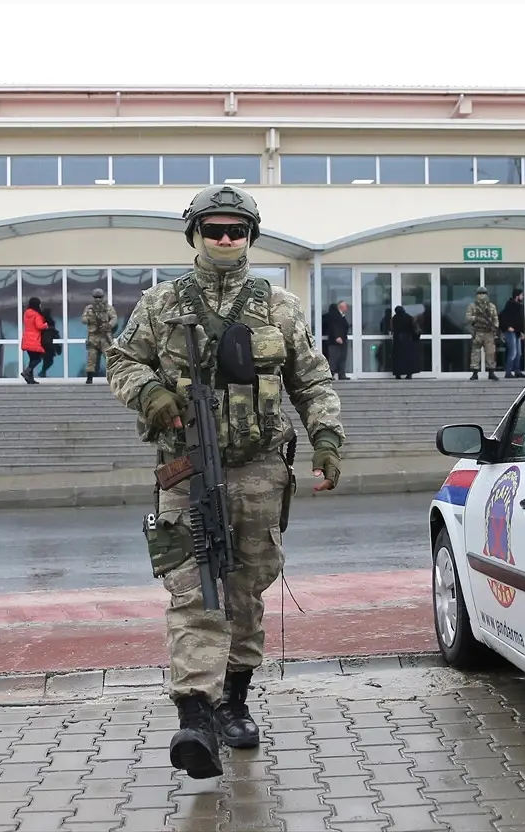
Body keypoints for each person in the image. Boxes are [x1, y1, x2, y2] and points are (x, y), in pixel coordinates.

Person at [104, 184, 345, 780]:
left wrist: (328, 441)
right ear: (195, 234)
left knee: (244, 591)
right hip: (185, 471)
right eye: (213, 230)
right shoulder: (162, 304)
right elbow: (120, 359)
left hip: (260, 469)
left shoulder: (279, 307)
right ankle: (195, 716)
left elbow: (311, 381)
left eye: (236, 230)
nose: (225, 239)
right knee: (192, 589)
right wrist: (152, 393)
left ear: (250, 237)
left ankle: (234, 703)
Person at [82, 287, 118, 384]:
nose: (98, 299)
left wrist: (108, 325)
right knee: (91, 358)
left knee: (109, 357)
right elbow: (83, 320)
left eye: (100, 297)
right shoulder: (89, 308)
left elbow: (114, 318)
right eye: (96, 297)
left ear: (103, 297)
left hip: (105, 336)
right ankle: (89, 378)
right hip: (93, 336)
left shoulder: (108, 308)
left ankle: (113, 378)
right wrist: (90, 319)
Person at [465, 287, 500, 381]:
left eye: (483, 293)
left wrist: (495, 329)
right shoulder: (472, 306)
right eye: (480, 293)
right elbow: (468, 317)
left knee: (490, 353)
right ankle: (475, 373)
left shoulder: (491, 306)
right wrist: (476, 318)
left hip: (488, 333)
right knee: (475, 353)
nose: (481, 295)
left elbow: (495, 319)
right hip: (477, 332)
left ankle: (491, 373)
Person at [21, 297, 47, 384]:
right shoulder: (36, 315)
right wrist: (46, 325)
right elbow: (39, 326)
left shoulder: (26, 313)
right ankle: (26, 371)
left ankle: (30, 379)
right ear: (37, 305)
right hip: (34, 340)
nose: (40, 305)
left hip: (27, 339)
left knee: (32, 359)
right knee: (39, 358)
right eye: (39, 304)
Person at [390, 305, 421, 379]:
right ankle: (409, 374)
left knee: (397, 358)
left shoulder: (394, 318)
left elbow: (391, 328)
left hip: (397, 341)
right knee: (408, 358)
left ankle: (398, 374)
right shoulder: (409, 317)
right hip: (408, 340)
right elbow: (414, 327)